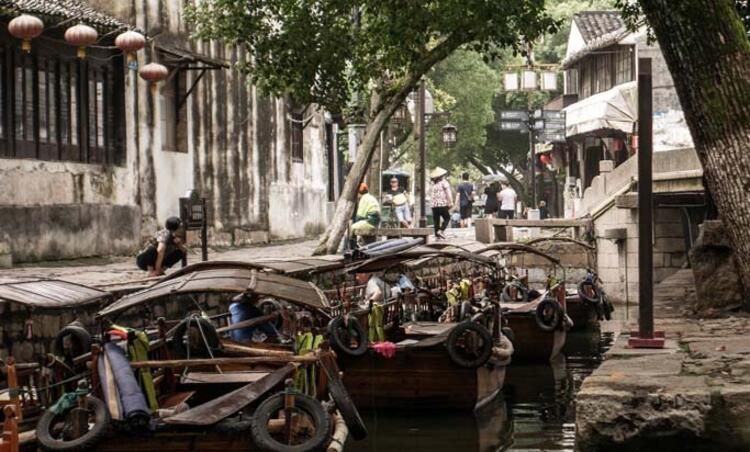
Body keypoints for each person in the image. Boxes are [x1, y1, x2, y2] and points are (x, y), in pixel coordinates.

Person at [430, 167, 453, 239]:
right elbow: (448, 193)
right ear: (442, 176)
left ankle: (437, 236)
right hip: (442, 204)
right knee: (447, 218)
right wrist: (450, 202)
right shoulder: (444, 182)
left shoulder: (433, 184)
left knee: (436, 220)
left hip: (434, 205)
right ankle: (441, 230)